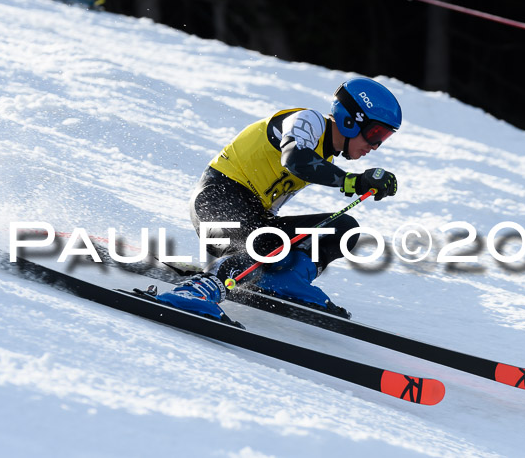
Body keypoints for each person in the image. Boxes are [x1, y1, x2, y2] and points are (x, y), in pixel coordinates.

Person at [161, 77, 402, 320]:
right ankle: (196, 290)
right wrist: (353, 181)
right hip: (217, 200)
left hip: (254, 217)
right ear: (351, 120)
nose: (375, 146)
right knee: (261, 241)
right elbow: (295, 159)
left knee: (343, 228)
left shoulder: (325, 156)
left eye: (383, 138)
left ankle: (285, 281)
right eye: (375, 133)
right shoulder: (308, 121)